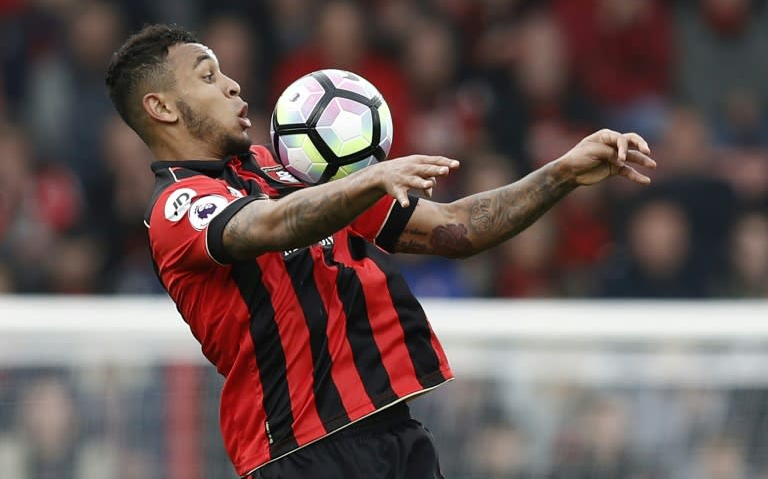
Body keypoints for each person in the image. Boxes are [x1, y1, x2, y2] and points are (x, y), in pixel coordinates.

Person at [104, 24, 655, 479]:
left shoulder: (283, 169)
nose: (232, 86)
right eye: (208, 76)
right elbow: (269, 226)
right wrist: (366, 182)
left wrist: (561, 173)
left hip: (393, 434)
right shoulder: (179, 205)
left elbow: (454, 229)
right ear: (162, 108)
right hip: (300, 451)